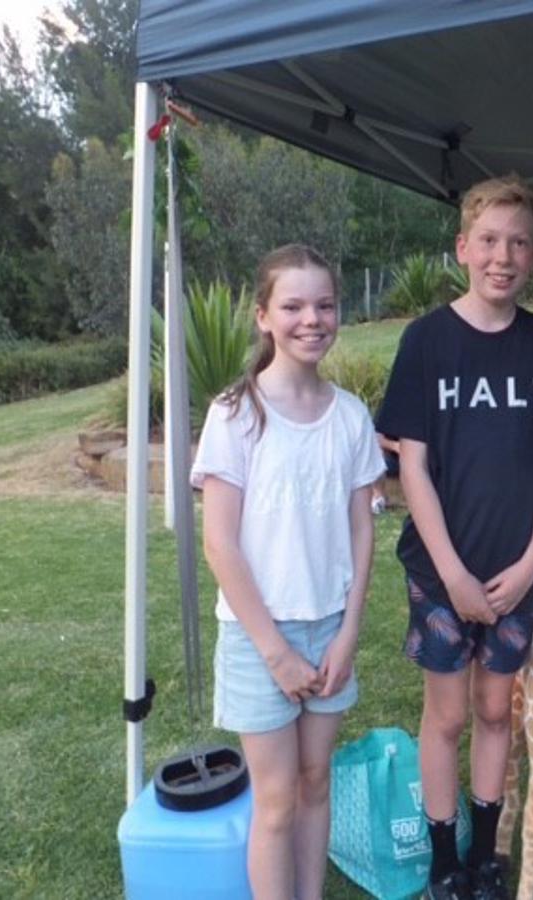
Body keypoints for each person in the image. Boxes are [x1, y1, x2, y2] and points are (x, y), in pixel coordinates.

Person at [376, 174, 533, 900]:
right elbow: (413, 462)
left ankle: (486, 858)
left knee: (498, 711)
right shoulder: (427, 342)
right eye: (491, 241)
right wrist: (453, 574)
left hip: (515, 572)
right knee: (448, 715)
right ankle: (444, 860)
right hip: (442, 575)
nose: (505, 256)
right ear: (464, 247)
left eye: (520, 243)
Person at [191, 244, 386, 900]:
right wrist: (276, 654)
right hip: (258, 640)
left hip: (329, 631)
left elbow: (363, 532)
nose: (312, 319)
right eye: (294, 305)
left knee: (315, 782)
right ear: (263, 317)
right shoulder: (236, 415)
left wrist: (347, 635)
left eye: (325, 305)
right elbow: (220, 544)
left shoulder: (352, 417)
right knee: (275, 802)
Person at [370, 432, 401, 515]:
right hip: (393, 460)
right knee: (376, 452)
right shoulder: (389, 420)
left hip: (416, 462)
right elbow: (375, 438)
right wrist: (395, 446)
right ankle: (379, 499)